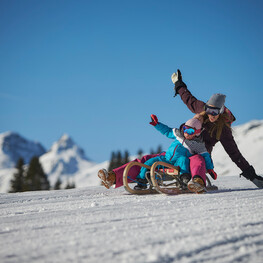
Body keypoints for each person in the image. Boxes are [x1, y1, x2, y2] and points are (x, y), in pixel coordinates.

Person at [171, 69, 263, 188]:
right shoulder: (201, 108)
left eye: (215, 112)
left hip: (203, 152)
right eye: (209, 110)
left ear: (220, 111)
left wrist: (252, 176)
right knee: (177, 153)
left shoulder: (223, 130)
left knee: (195, 159)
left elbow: (234, 153)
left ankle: (193, 180)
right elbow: (188, 98)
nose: (211, 115)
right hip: (187, 144)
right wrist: (178, 84)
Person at [133, 115, 216, 193]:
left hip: (178, 162)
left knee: (184, 160)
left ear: (197, 133)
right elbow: (167, 131)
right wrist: (156, 124)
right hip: (166, 158)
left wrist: (210, 169)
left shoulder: (198, 145)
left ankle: (184, 181)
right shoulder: (179, 134)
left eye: (190, 131)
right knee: (149, 162)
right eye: (185, 129)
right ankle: (141, 183)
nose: (186, 133)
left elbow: (206, 156)